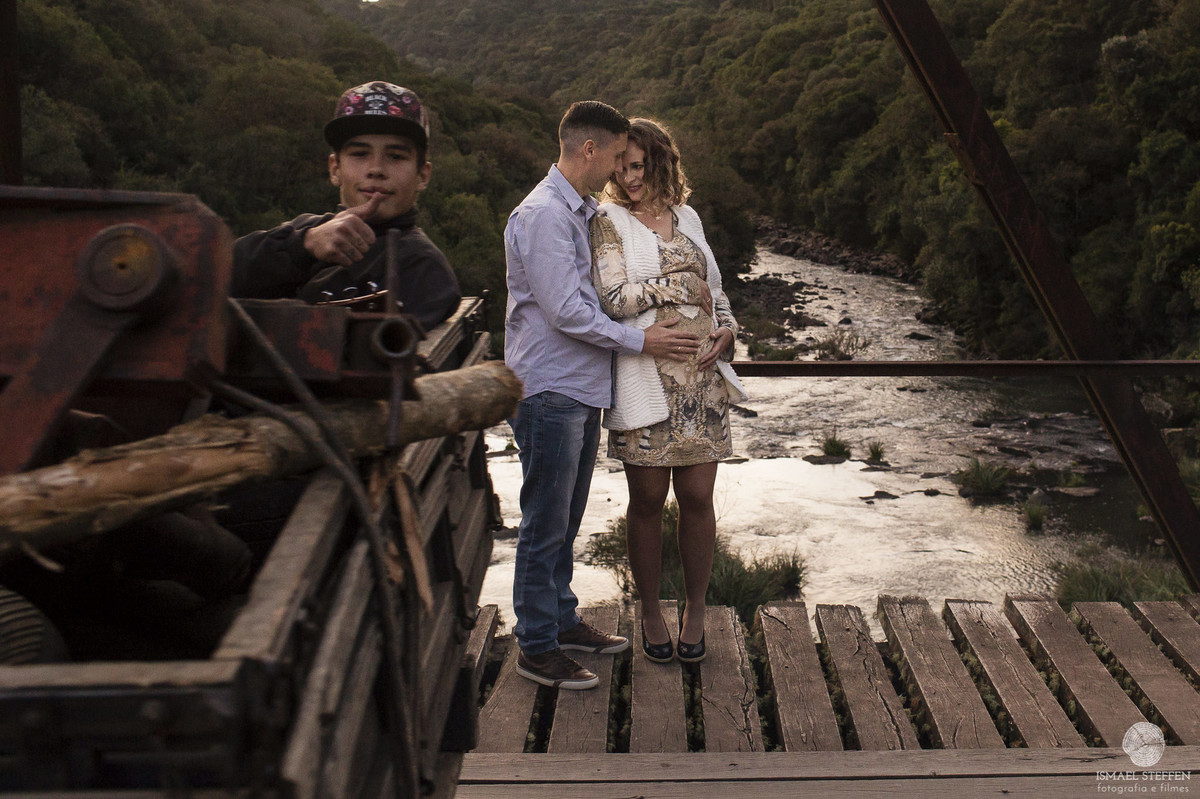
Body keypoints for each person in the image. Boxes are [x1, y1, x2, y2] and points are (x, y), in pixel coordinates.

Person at [504, 102, 702, 689]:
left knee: (563, 521)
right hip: (550, 388)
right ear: (590, 149)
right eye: (618, 155)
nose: (622, 169)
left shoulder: (579, 211)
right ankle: (536, 646)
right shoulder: (543, 215)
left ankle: (560, 621)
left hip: (580, 387)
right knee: (544, 523)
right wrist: (641, 341)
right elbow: (567, 311)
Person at [590, 118, 746, 664]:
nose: (630, 177)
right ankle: (651, 611)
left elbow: (717, 294)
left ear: (661, 162)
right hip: (649, 381)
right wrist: (677, 285)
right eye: (622, 166)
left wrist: (727, 331)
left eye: (639, 165)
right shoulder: (607, 221)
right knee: (649, 502)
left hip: (702, 383)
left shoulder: (689, 218)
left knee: (699, 499)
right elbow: (612, 298)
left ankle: (698, 611)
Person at [232, 81, 461, 332]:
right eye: (359, 154)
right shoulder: (304, 230)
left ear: (422, 175)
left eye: (396, 156)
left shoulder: (425, 270)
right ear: (335, 168)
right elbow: (216, 273)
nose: (376, 169)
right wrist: (303, 245)